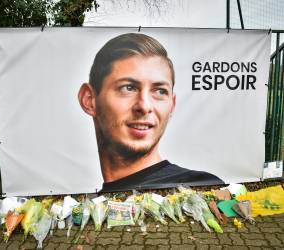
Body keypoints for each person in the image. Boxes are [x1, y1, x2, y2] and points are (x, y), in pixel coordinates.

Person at [78, 33, 224, 192]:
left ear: (172, 106)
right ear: (89, 100)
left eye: (160, 91)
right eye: (128, 88)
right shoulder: (83, 205)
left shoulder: (201, 188)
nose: (144, 106)